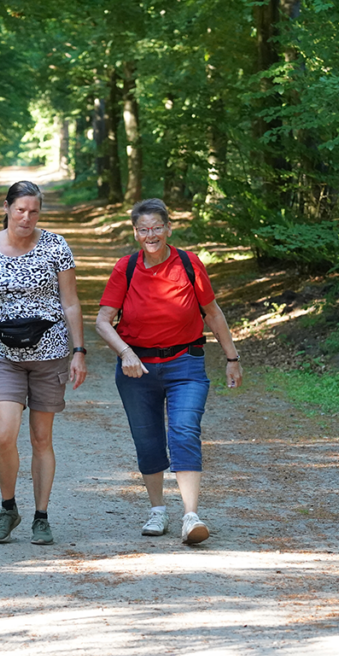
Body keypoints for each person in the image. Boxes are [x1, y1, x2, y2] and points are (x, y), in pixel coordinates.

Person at [95, 198, 242, 545]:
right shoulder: (126, 268)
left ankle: (191, 516)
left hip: (185, 362)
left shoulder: (189, 263)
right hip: (137, 368)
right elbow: (103, 322)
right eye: (143, 229)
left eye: (157, 228)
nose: (151, 235)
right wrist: (125, 353)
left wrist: (232, 357)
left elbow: (213, 312)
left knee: (184, 430)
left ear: (168, 229)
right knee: (147, 439)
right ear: (135, 232)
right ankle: (158, 511)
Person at [0, 180, 87, 545]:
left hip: (50, 354)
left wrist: (79, 352)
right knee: (4, 434)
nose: (27, 217)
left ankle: (41, 516)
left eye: (34, 211)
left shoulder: (56, 246)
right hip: (6, 355)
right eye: (20, 210)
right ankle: (7, 507)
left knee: (40, 437)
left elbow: (71, 302)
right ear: (6, 208)